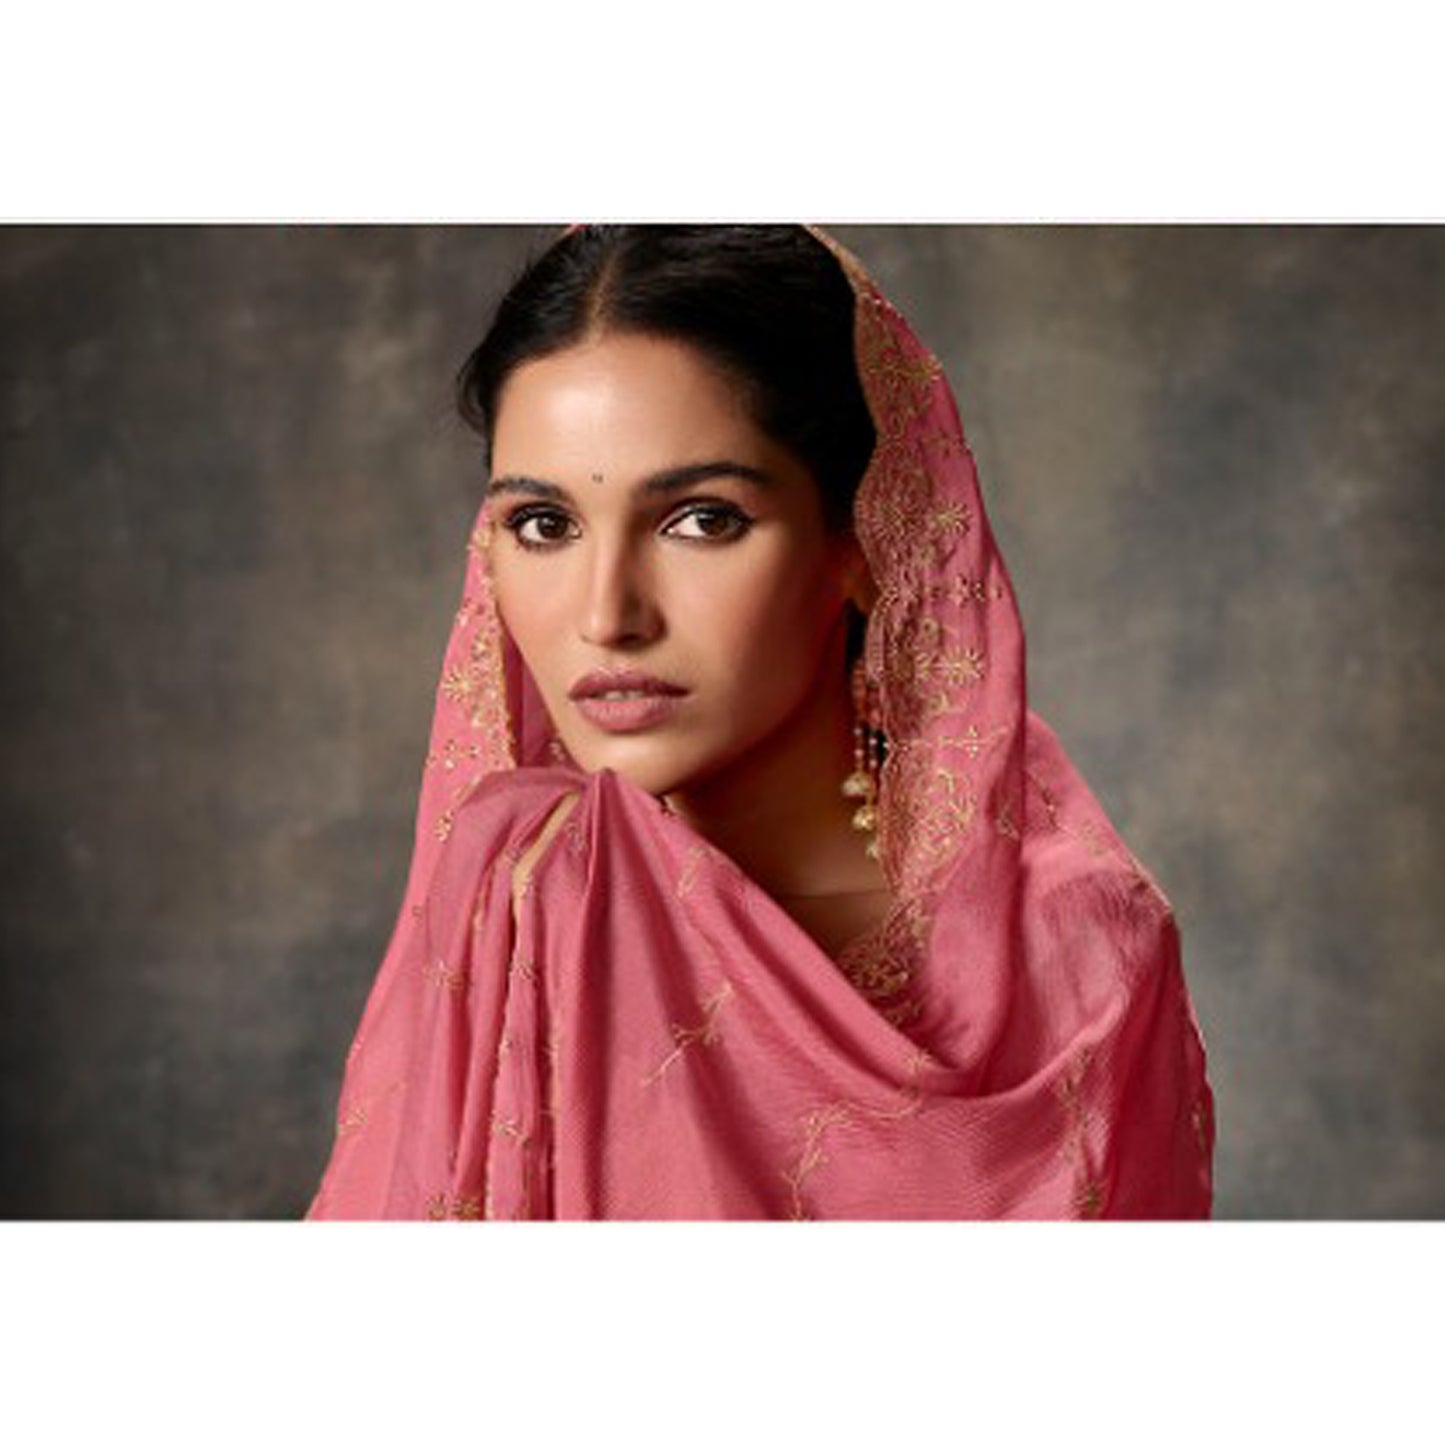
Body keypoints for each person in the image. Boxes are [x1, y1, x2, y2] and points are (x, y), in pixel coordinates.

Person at [306, 225, 1214, 1221]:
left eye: (701, 519)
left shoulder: (1072, 945)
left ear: (866, 539)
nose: (607, 614)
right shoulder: (527, 899)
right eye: (543, 524)